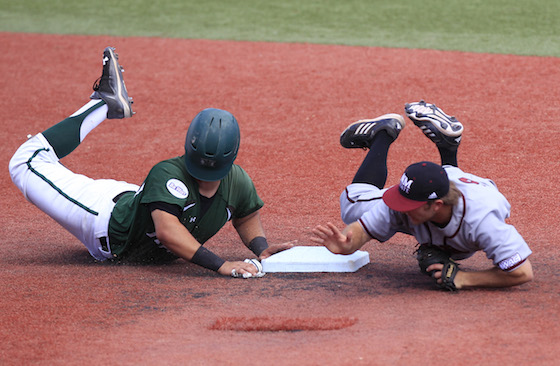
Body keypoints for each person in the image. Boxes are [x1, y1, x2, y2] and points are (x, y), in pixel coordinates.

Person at [9, 46, 292, 278]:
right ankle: (104, 104)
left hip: (140, 201)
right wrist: (221, 264)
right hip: (99, 218)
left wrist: (261, 247)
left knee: (160, 204)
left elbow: (246, 215)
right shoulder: (167, 172)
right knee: (25, 161)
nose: (206, 173)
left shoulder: (238, 182)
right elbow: (168, 233)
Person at [311, 101, 533, 290]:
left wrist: (465, 278)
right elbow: (359, 230)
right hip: (450, 181)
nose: (401, 207)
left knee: (458, 249)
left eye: (410, 204)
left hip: (478, 192)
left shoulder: (482, 221)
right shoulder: (402, 205)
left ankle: (394, 138)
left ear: (435, 205)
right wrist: (346, 244)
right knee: (351, 206)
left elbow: (522, 273)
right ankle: (422, 142)